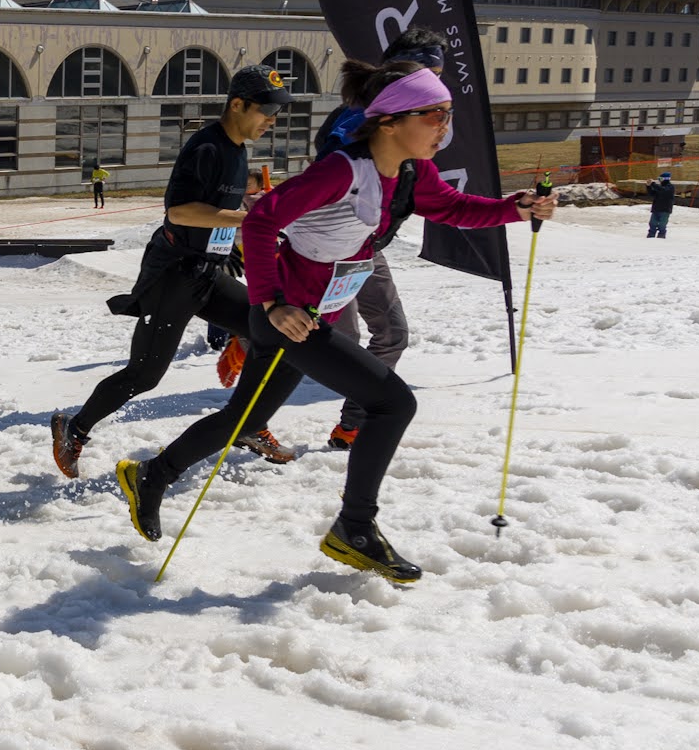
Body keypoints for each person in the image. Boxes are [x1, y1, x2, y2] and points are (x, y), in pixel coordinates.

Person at [114, 62, 559, 583]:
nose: (445, 127)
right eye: (435, 115)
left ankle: (151, 475)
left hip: (310, 313)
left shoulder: (411, 173)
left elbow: (452, 208)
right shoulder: (343, 171)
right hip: (289, 317)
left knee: (244, 416)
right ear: (391, 120)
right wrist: (272, 303)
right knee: (393, 402)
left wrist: (516, 208)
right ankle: (355, 527)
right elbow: (261, 221)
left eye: (448, 115)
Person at [49, 66, 294, 480]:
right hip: (174, 274)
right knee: (145, 374)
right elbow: (179, 210)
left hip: (209, 271)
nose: (272, 120)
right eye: (267, 111)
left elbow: (217, 213)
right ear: (238, 105)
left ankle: (248, 423)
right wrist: (244, 219)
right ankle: (73, 429)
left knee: (271, 332)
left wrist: (237, 243)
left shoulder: (238, 150)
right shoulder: (208, 148)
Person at [306, 29, 442, 449]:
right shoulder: (360, 121)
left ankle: (354, 424)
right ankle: (249, 417)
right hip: (329, 253)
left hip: (368, 250)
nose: (435, 88)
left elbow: (440, 198)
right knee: (328, 344)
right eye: (428, 74)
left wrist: (513, 209)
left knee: (392, 333)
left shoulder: (416, 125)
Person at [648, 170, 675, 239]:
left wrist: (653, 184)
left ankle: (661, 237)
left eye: (660, 179)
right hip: (656, 209)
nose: (659, 181)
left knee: (662, 225)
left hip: (665, 210)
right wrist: (648, 187)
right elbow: (652, 194)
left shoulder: (670, 187)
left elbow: (663, 191)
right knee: (652, 223)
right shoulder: (659, 187)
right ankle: (651, 236)